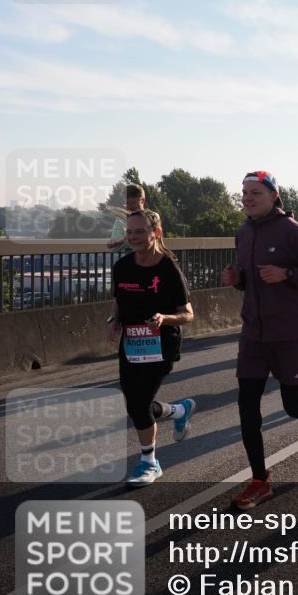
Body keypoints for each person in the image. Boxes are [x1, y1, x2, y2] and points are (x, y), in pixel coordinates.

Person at [222, 171, 298, 510]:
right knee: (247, 406)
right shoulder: (243, 233)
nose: (247, 197)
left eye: (255, 192)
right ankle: (260, 480)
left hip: (290, 334)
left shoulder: (293, 231)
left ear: (274, 196)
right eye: (244, 192)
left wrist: (287, 274)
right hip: (254, 335)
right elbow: (251, 283)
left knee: (293, 405)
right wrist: (237, 280)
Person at [107, 209, 196, 486]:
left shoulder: (169, 269)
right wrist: (114, 320)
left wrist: (164, 318)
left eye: (139, 232)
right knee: (134, 403)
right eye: (130, 232)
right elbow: (119, 300)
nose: (133, 237)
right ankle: (178, 411)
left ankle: (149, 463)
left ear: (155, 233)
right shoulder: (121, 267)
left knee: (139, 402)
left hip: (162, 342)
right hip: (132, 342)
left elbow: (188, 314)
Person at [106, 183, 146, 252]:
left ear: (142, 201)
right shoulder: (120, 220)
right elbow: (113, 249)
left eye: (133, 203)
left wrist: (123, 240)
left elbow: (148, 242)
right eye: (127, 203)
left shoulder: (152, 217)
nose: (129, 207)